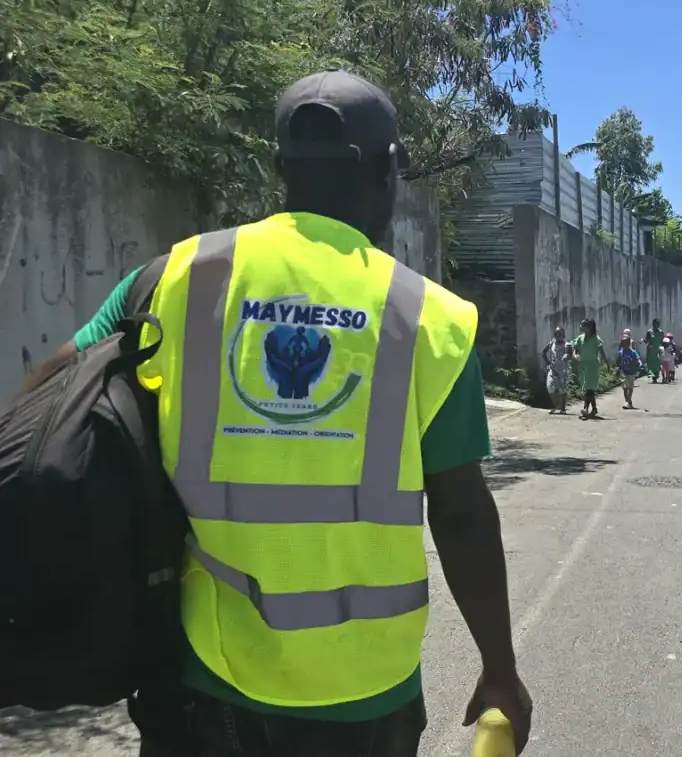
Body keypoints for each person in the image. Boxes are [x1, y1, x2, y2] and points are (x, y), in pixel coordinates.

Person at [37, 71, 532, 757]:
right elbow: (461, 513)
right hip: (364, 692)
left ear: (280, 168)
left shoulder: (174, 278)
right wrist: (500, 667)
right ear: (388, 170)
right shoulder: (429, 316)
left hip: (201, 680)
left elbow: (50, 398)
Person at [574, 318, 610, 418]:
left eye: (583, 325)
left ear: (589, 327)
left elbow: (602, 352)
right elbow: (575, 350)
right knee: (587, 388)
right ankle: (594, 409)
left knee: (589, 388)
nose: (581, 327)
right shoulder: (580, 338)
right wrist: (575, 355)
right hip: (583, 366)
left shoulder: (596, 339)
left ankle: (585, 408)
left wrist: (607, 363)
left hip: (593, 366)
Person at [542, 326, 573, 414]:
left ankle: (562, 409)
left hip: (563, 370)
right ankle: (556, 405)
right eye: (556, 333)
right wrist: (548, 363)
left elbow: (571, 355)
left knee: (563, 390)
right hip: (553, 369)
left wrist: (567, 356)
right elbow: (543, 352)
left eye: (560, 334)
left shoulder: (567, 344)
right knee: (550, 387)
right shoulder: (551, 343)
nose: (558, 335)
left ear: (563, 335)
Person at [616, 330, 643, 409]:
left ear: (629, 343)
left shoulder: (633, 352)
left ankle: (628, 402)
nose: (625, 344)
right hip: (624, 372)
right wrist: (618, 369)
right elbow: (618, 362)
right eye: (623, 343)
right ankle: (628, 401)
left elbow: (638, 359)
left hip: (631, 372)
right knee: (624, 388)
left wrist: (640, 364)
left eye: (626, 343)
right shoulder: (620, 352)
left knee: (630, 388)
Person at [643, 318, 664, 383]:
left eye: (658, 324)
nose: (656, 326)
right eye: (655, 324)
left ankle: (656, 376)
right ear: (653, 324)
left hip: (658, 349)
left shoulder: (661, 332)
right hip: (651, 350)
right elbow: (647, 341)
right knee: (651, 364)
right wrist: (644, 340)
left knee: (658, 363)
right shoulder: (649, 331)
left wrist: (662, 348)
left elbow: (662, 341)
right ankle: (653, 378)